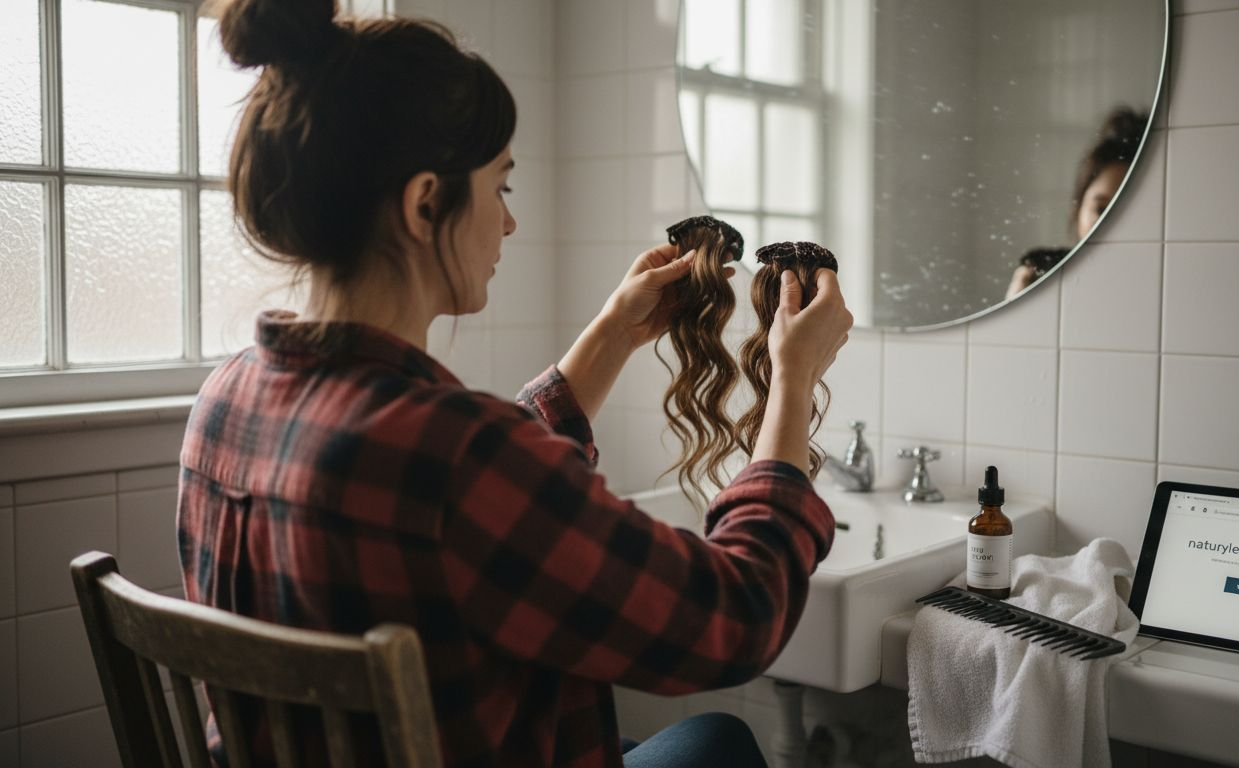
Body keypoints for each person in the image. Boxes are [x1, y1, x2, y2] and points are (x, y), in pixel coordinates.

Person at [176, 1, 854, 767]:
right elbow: (736, 620)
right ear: (425, 201)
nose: (509, 224)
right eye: (500, 188)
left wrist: (610, 338)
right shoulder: (454, 455)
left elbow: (471, 486)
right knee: (720, 740)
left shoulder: (224, 402)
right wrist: (792, 381)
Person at [1006, 106, 1148, 298]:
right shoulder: (1042, 273)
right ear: (1079, 208)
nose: (1111, 225)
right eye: (1101, 209)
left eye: (1129, 215)